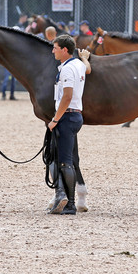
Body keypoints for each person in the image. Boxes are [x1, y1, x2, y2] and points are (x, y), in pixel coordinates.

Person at [46, 35, 88, 215]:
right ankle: (64, 198)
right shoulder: (78, 64)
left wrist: (55, 119)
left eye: (55, 48)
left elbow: (67, 96)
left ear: (64, 50)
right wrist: (85, 58)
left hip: (67, 117)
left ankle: (70, 204)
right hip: (74, 116)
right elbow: (88, 69)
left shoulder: (67, 70)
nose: (53, 51)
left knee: (65, 162)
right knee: (62, 159)